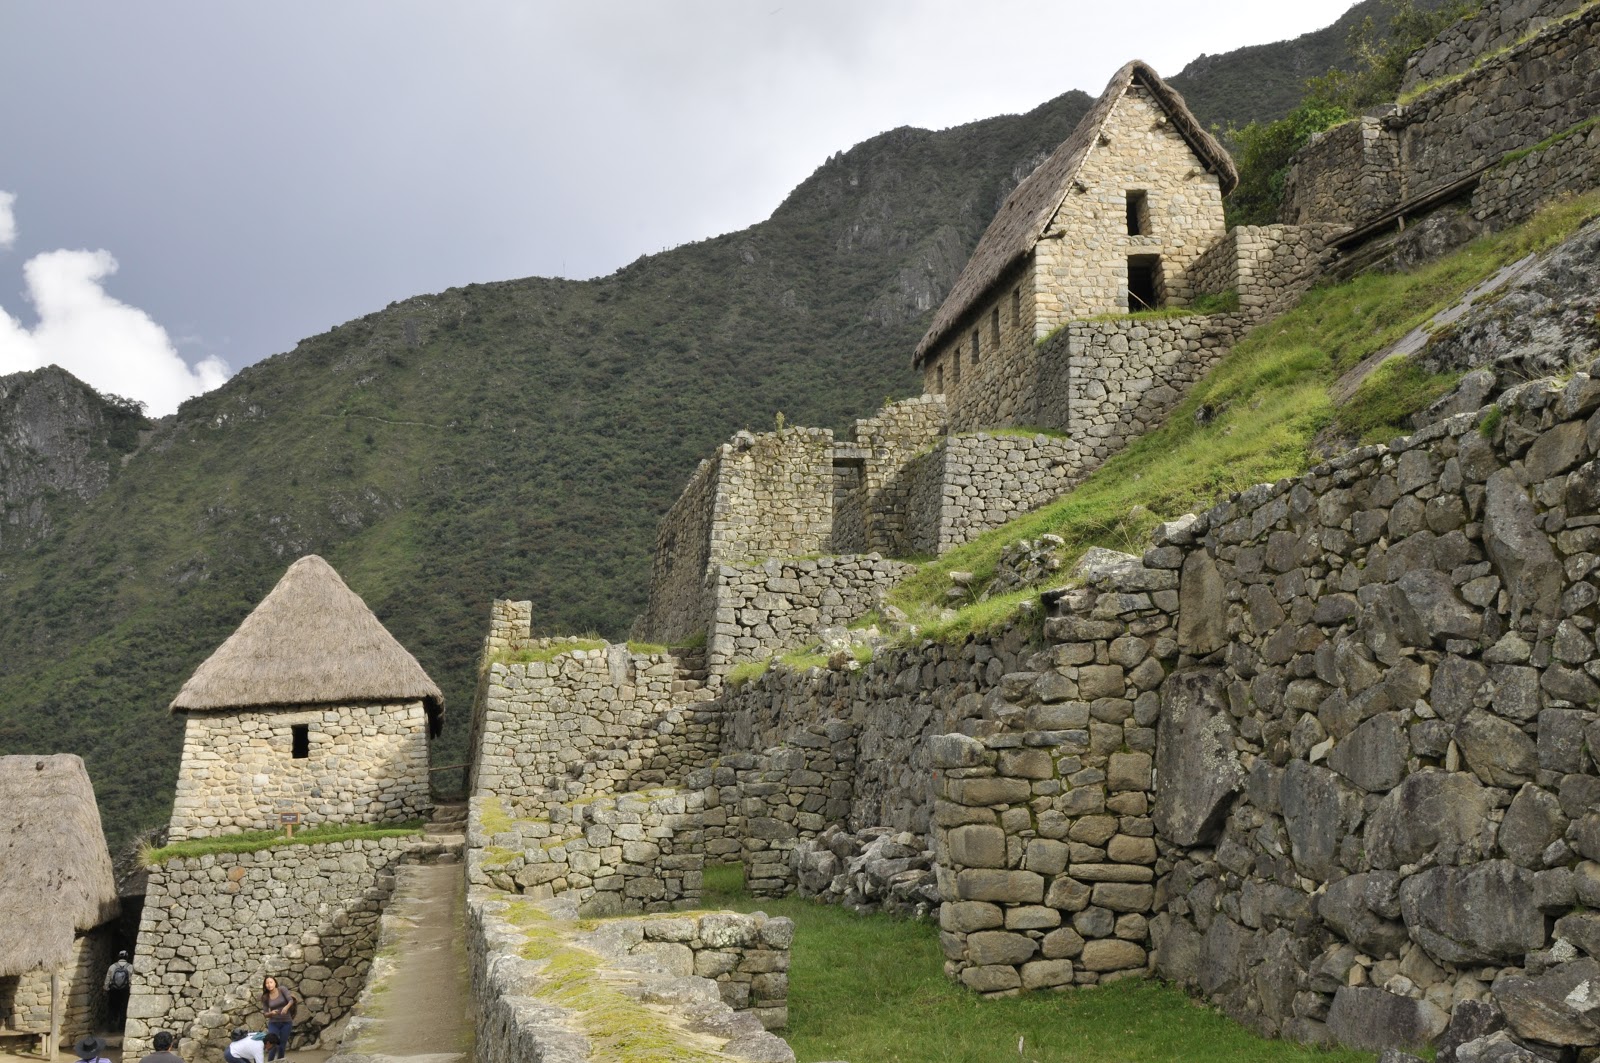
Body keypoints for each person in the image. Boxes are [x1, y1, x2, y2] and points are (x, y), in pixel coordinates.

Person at [260, 976, 295, 1060]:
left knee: (282, 1045)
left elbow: (291, 1000)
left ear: (275, 983)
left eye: (271, 982)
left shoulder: (282, 989)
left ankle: (280, 1061)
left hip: (286, 1022)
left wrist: (286, 1008)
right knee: (272, 1044)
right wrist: (271, 1013)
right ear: (265, 985)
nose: (269, 985)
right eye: (267, 983)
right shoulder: (265, 997)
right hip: (273, 1023)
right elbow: (265, 1014)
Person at [104, 951, 134, 1028]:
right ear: (127, 957)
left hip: (113, 990)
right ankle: (122, 1025)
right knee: (123, 1007)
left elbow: (107, 979)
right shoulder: (130, 967)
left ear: (118, 957)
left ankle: (112, 1024)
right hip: (125, 990)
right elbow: (131, 980)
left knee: (113, 1007)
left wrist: (106, 988)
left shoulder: (112, 966)